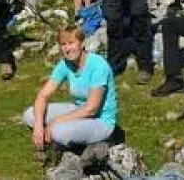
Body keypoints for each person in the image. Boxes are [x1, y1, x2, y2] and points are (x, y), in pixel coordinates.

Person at [23, 25, 118, 159]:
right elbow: (43, 95)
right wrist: (38, 125)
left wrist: (56, 121)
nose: (67, 48)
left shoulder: (98, 65)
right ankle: (53, 142)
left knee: (59, 131)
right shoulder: (65, 64)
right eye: (63, 44)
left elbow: (91, 109)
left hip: (100, 120)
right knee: (30, 115)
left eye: (71, 43)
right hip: (78, 109)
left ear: (82, 43)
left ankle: (76, 147)